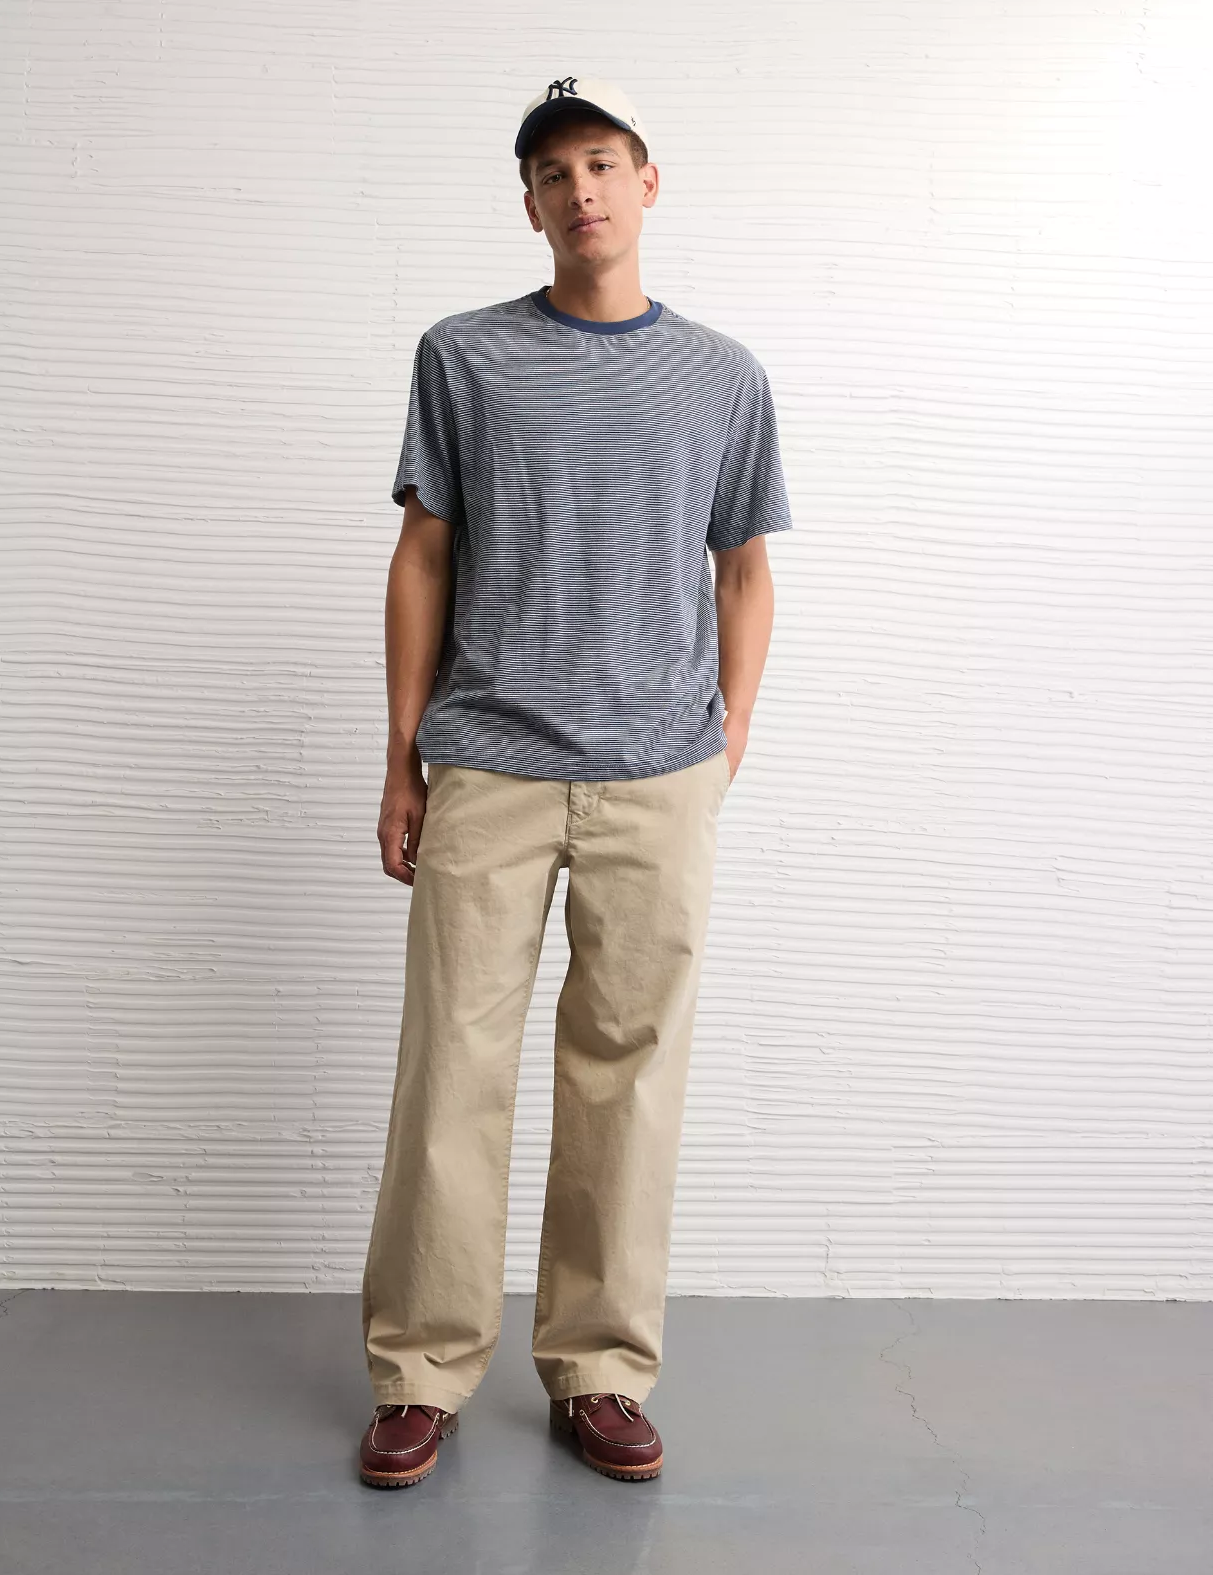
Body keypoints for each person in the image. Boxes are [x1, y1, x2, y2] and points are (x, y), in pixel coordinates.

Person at [358, 73, 793, 1489]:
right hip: (488, 763)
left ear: (646, 182)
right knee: (452, 1067)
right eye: (554, 172)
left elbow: (744, 567)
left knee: (631, 1075)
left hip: (659, 776)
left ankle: (601, 1366)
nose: (581, 189)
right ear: (530, 203)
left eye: (602, 163)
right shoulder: (464, 356)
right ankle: (420, 1368)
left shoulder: (722, 375)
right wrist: (402, 754)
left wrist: (728, 729)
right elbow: (424, 553)